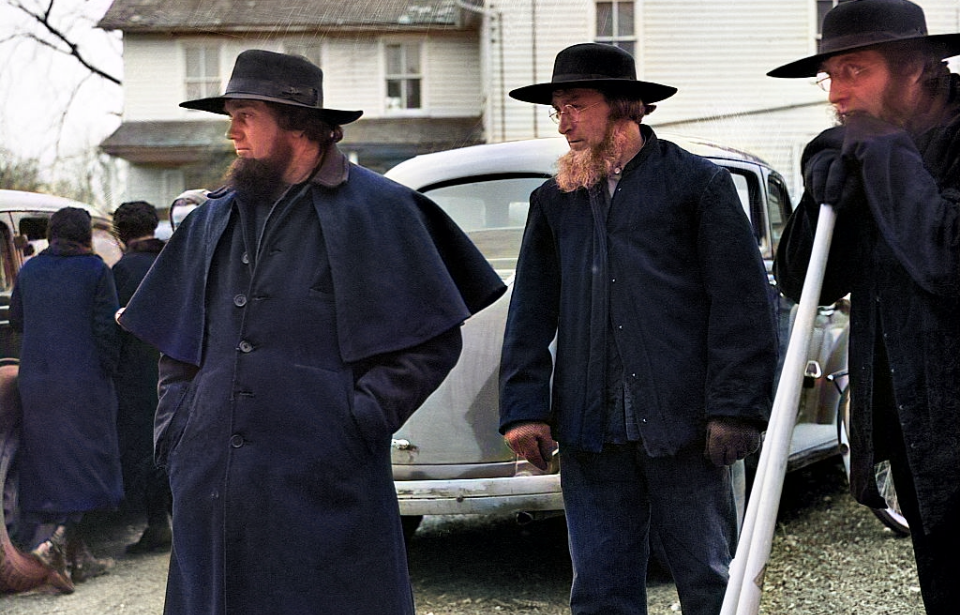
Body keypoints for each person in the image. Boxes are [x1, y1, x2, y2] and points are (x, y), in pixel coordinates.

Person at [117, 49, 505, 615]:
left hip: (324, 484)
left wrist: (358, 418)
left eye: (245, 115)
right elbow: (177, 349)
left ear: (297, 123)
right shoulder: (208, 219)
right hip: (211, 484)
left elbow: (432, 338)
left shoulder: (382, 210)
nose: (232, 132)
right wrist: (176, 432)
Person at [499, 43, 778, 615]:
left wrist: (736, 407)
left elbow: (743, 305)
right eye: (557, 109)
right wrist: (524, 406)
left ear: (626, 107)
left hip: (684, 424)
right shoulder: (554, 201)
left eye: (575, 105)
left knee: (706, 579)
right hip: (588, 427)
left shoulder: (696, 186)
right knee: (600, 589)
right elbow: (530, 309)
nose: (563, 123)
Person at [768, 1, 960, 613]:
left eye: (856, 71)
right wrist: (824, 192)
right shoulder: (874, 146)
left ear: (917, 68)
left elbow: (947, 258)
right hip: (916, 430)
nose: (837, 94)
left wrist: (884, 157)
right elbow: (803, 281)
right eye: (831, 76)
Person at [10, 206, 122, 592]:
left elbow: (18, 322)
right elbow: (107, 329)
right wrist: (110, 370)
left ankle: (78, 558)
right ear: (86, 236)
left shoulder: (29, 271)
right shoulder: (95, 271)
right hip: (83, 380)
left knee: (52, 465)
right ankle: (54, 545)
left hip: (37, 381)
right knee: (87, 462)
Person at [110, 201, 171, 554]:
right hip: (181, 365)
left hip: (137, 372)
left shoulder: (121, 271)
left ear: (121, 233)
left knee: (147, 448)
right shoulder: (173, 260)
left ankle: (157, 524)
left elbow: (113, 325)